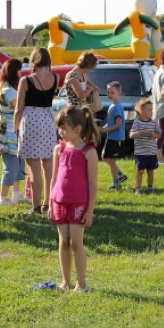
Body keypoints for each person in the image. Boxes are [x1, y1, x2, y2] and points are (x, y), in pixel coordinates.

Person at [49, 105, 99, 292]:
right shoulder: (58, 149)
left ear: (77, 129)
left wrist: (89, 210)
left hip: (79, 204)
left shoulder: (89, 152)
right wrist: (50, 202)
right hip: (59, 202)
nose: (60, 132)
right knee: (63, 242)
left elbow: (93, 183)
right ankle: (65, 281)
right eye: (59, 128)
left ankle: (81, 283)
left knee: (75, 242)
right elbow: (54, 178)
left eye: (63, 128)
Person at [15, 47, 59, 215]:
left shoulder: (25, 80)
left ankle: (35, 207)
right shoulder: (56, 77)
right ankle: (48, 204)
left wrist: (15, 126)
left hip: (30, 120)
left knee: (33, 168)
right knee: (48, 167)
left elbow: (18, 108)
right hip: (48, 120)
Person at [0, 59, 29, 206]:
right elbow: (19, 107)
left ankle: (16, 193)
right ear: (14, 72)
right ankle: (3, 197)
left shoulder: (0, 86)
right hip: (9, 129)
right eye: (20, 70)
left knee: (19, 160)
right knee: (11, 163)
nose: (21, 73)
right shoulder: (9, 90)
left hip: (8, 127)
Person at [129, 98, 161, 194]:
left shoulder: (154, 122)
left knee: (150, 171)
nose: (152, 112)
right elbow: (131, 135)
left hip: (151, 152)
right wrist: (141, 132)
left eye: (152, 109)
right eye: (149, 110)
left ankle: (150, 187)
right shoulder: (137, 123)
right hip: (140, 153)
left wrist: (154, 135)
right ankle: (138, 189)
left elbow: (159, 134)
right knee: (140, 171)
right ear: (141, 112)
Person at [101, 81, 127, 190]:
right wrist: (103, 128)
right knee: (104, 157)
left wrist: (107, 129)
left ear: (119, 93)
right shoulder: (113, 105)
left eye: (112, 92)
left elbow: (118, 124)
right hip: (111, 136)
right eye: (108, 92)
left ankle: (116, 183)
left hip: (115, 137)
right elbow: (111, 122)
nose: (110, 95)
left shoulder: (117, 107)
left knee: (110, 159)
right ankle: (120, 175)